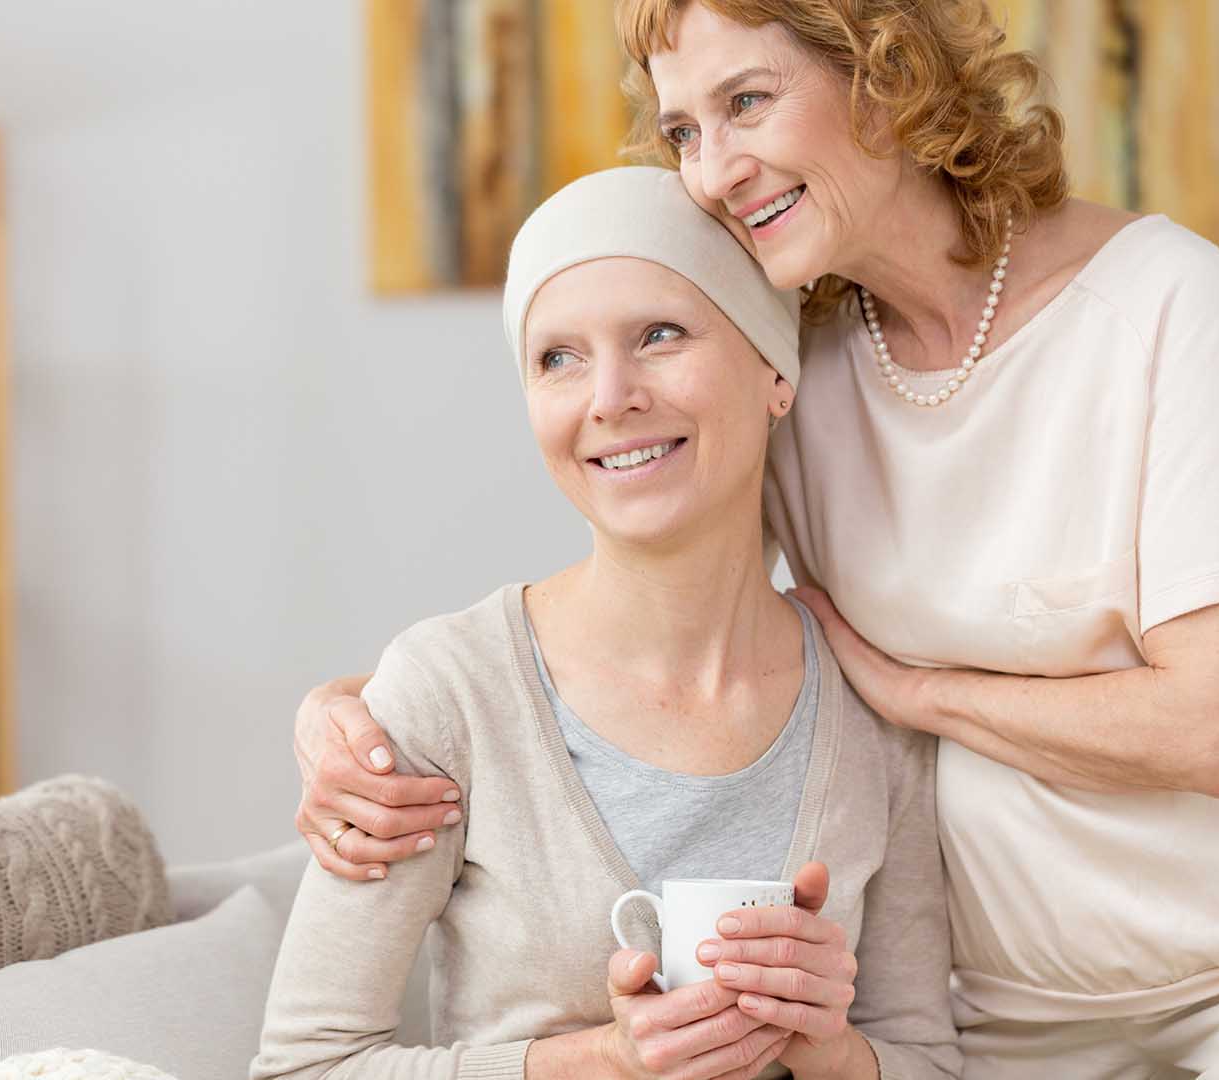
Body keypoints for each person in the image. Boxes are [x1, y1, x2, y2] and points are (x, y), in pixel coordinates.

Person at [290, 3, 1219, 1076]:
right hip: (1012, 1002)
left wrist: (917, 693)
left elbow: (1218, 725)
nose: (715, 169)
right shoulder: (799, 361)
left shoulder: (1158, 301)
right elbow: (632, 603)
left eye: (748, 102)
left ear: (885, 75)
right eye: (685, 128)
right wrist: (360, 721)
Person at [253, 166, 958, 1080]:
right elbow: (302, 1065)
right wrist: (604, 1061)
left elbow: (928, 1065)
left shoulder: (870, 706)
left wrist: (826, 1044)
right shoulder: (448, 696)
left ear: (774, 370)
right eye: (558, 357)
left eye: (660, 335)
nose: (608, 396)